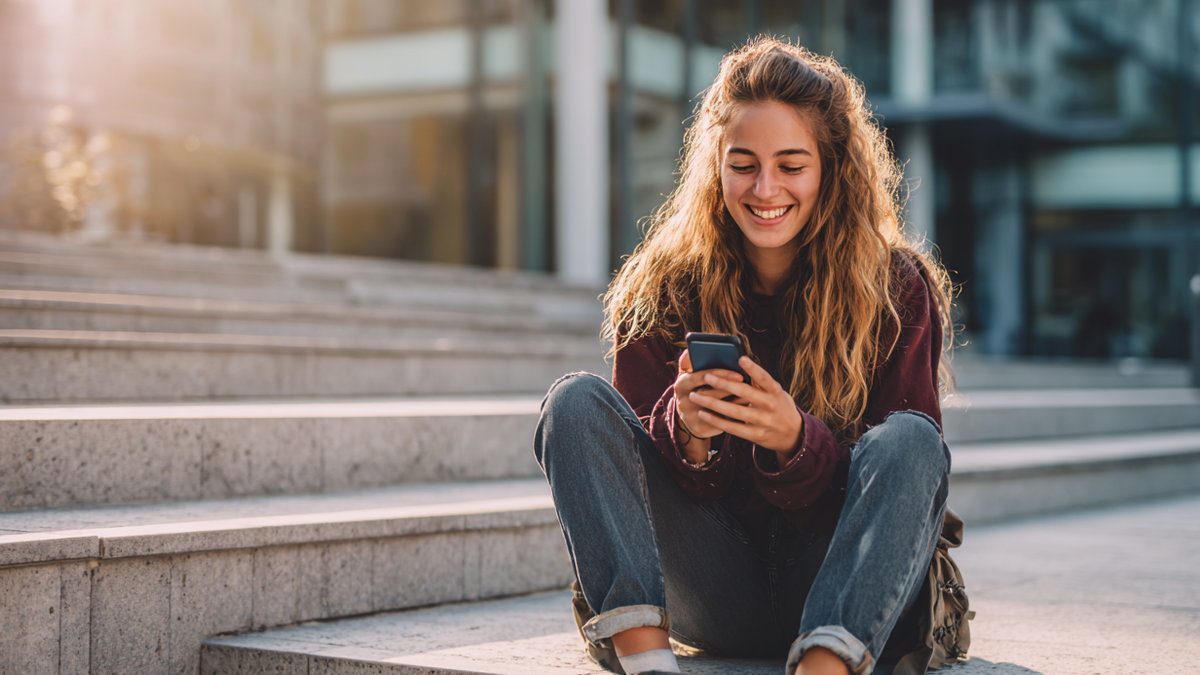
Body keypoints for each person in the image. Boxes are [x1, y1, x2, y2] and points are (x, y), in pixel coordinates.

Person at [534, 38, 971, 675]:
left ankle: (823, 666)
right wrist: (689, 438)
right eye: (743, 164)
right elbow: (629, 488)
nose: (765, 188)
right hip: (706, 590)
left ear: (831, 169)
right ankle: (647, 664)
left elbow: (901, 484)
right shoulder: (663, 287)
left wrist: (796, 441)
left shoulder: (896, 288)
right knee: (572, 403)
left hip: (841, 586)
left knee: (912, 440)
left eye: (791, 165)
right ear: (716, 165)